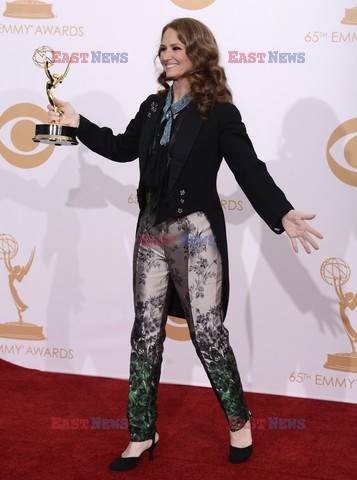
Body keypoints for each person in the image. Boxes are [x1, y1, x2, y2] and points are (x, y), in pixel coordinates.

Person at [47, 17, 323, 471]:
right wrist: (77, 123)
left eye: (176, 47)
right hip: (152, 230)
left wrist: (281, 212)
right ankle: (141, 432)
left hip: (196, 233)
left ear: (198, 52)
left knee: (209, 335)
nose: (167, 55)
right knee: (145, 335)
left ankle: (239, 422)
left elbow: (249, 169)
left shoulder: (219, 112)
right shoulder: (154, 107)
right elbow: (122, 148)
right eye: (162, 48)